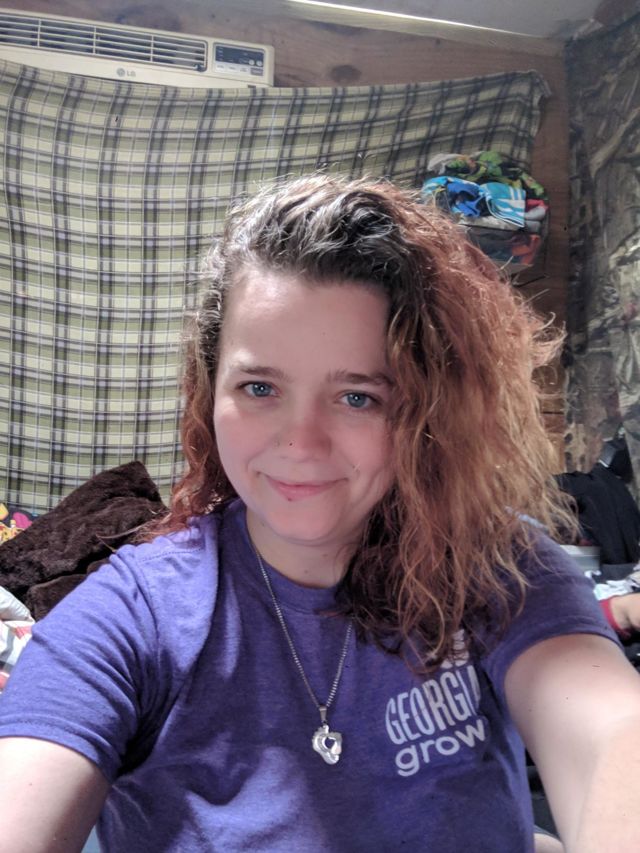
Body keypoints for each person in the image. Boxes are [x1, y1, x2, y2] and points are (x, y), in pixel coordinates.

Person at [0, 174, 639, 853]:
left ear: (424, 410)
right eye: (259, 387)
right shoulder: (136, 612)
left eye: (357, 396)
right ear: (210, 391)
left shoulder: (495, 568)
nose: (300, 443)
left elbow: (611, 732)